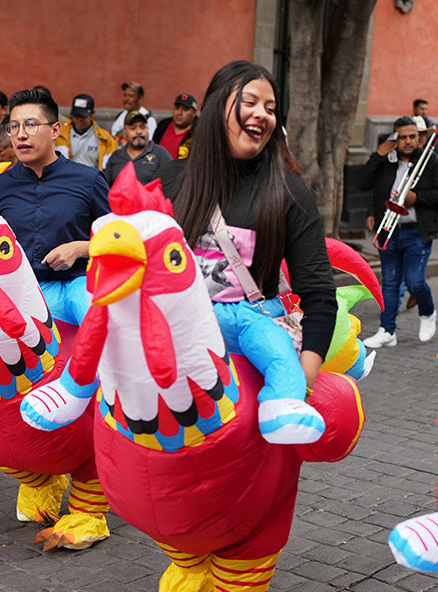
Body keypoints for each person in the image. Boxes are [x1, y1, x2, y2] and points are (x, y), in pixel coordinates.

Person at [156, 60, 337, 400]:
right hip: (171, 367)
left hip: (248, 378)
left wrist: (300, 387)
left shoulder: (290, 194)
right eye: (250, 102)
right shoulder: (168, 182)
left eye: (270, 109)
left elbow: (320, 299)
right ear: (214, 108)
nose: (262, 114)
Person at [0, 89, 111, 326]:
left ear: (55, 130)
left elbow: (119, 239)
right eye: (14, 127)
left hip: (77, 287)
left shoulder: (88, 180)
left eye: (31, 125)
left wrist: (79, 248)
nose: (21, 135)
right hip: (21, 294)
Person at [358, 116, 438, 348]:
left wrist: (417, 198)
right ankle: (387, 330)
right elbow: (364, 184)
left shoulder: (431, 161)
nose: (408, 141)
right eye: (403, 137)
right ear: (395, 139)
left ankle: (428, 312)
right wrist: (378, 155)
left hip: (416, 232)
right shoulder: (386, 161)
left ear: (419, 138)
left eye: (412, 136)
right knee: (389, 283)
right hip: (389, 230)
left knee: (415, 282)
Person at [104, 110, 171, 185]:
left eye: (143, 127)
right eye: (133, 128)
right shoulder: (116, 157)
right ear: (124, 133)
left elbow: (171, 185)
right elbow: (105, 188)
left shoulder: (160, 154)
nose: (139, 131)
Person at [54, 93, 116, 171]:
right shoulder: (58, 134)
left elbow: (111, 167)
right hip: (64, 180)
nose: (79, 120)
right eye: (76, 116)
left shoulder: (105, 138)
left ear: (92, 114)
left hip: (91, 181)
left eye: (83, 116)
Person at [153, 93, 198, 160]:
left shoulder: (198, 133)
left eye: (185, 109)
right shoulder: (163, 125)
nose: (179, 112)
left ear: (193, 113)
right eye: (177, 108)